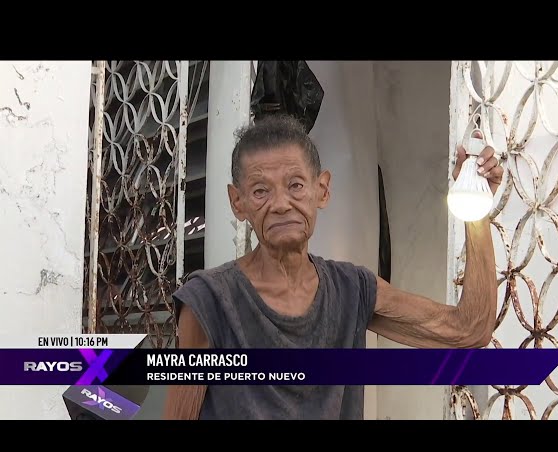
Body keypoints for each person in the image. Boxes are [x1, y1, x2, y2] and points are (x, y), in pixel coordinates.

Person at [163, 114, 503, 420]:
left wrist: (477, 203)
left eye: (295, 185)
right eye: (260, 191)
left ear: (321, 190)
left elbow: (469, 330)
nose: (281, 204)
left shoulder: (350, 290)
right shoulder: (210, 301)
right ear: (239, 203)